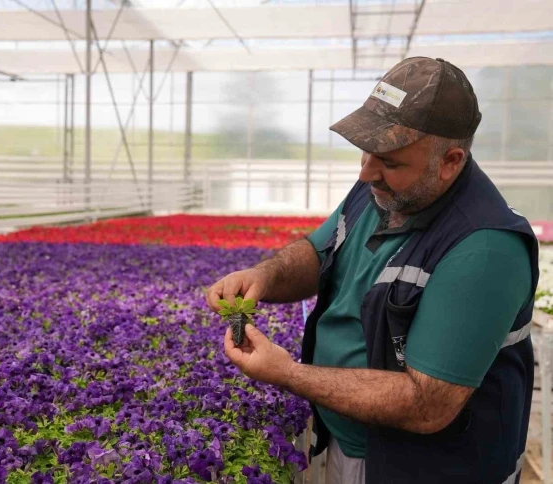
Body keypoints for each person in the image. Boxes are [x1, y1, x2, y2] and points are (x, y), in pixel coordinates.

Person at [206, 57, 539, 484]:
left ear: (450, 161)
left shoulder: (484, 248)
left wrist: (286, 373)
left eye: (390, 161)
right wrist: (264, 277)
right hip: (355, 441)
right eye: (367, 151)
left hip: (430, 470)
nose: (366, 172)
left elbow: (427, 405)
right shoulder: (383, 187)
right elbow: (319, 250)